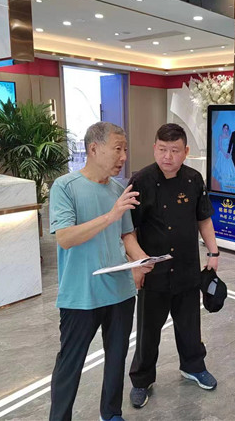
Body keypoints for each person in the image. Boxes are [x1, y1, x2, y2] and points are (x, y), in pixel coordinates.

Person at [49, 122, 153, 421]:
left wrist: (142, 259)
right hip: (81, 293)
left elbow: (126, 235)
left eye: (125, 149)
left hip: (120, 291)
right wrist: (110, 215)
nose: (123, 156)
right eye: (117, 149)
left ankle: (111, 413)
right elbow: (65, 238)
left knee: (117, 358)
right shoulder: (65, 187)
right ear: (94, 149)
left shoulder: (119, 189)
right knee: (70, 364)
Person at [128, 123, 220, 409]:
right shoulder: (140, 181)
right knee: (148, 331)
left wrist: (213, 252)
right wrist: (137, 264)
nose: (168, 156)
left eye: (175, 150)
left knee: (190, 324)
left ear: (186, 151)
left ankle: (193, 366)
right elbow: (128, 230)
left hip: (187, 267)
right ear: (154, 148)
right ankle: (141, 380)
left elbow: (203, 218)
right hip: (153, 271)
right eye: (162, 149)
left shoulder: (194, 179)